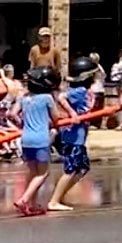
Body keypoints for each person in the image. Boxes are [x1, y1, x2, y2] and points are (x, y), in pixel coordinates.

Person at [11, 66, 64, 215]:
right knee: (43, 173)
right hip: (41, 139)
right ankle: (24, 199)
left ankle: (32, 205)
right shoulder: (47, 98)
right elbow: (56, 117)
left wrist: (23, 122)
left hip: (26, 138)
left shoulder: (24, 97)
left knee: (33, 172)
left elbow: (12, 113)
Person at [48, 55, 96, 211]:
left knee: (82, 167)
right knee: (71, 169)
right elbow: (61, 97)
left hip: (79, 137)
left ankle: (60, 196)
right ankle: (54, 201)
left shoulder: (84, 91)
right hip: (72, 138)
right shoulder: (79, 90)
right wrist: (72, 113)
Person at [0, 65, 22, 161]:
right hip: (10, 109)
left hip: (8, 109)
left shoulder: (9, 83)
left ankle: (10, 147)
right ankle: (9, 147)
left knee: (11, 128)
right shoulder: (15, 83)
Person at [88, 52, 107, 127]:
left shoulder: (96, 67)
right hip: (99, 88)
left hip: (95, 89)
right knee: (97, 107)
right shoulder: (99, 67)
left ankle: (95, 123)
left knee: (95, 107)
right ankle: (95, 123)